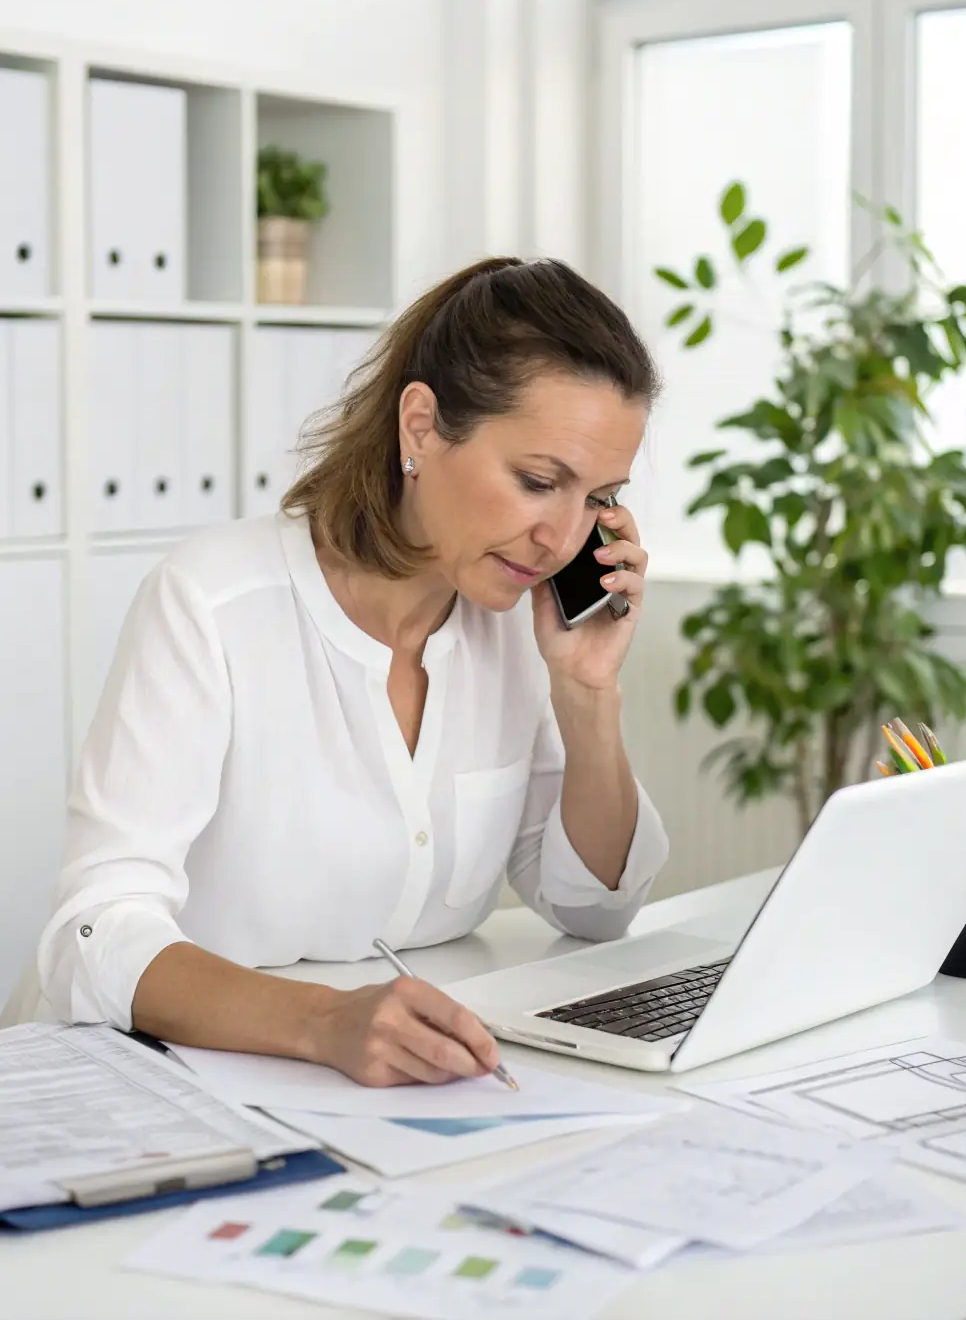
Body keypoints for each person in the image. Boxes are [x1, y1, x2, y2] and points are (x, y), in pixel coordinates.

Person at [36, 256, 669, 1087]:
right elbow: (93, 935)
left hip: (413, 1092)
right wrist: (325, 1021)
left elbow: (594, 908)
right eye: (537, 481)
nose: (561, 538)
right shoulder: (212, 603)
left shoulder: (517, 621)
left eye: (597, 498)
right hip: (188, 1078)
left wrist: (588, 693)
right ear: (421, 428)